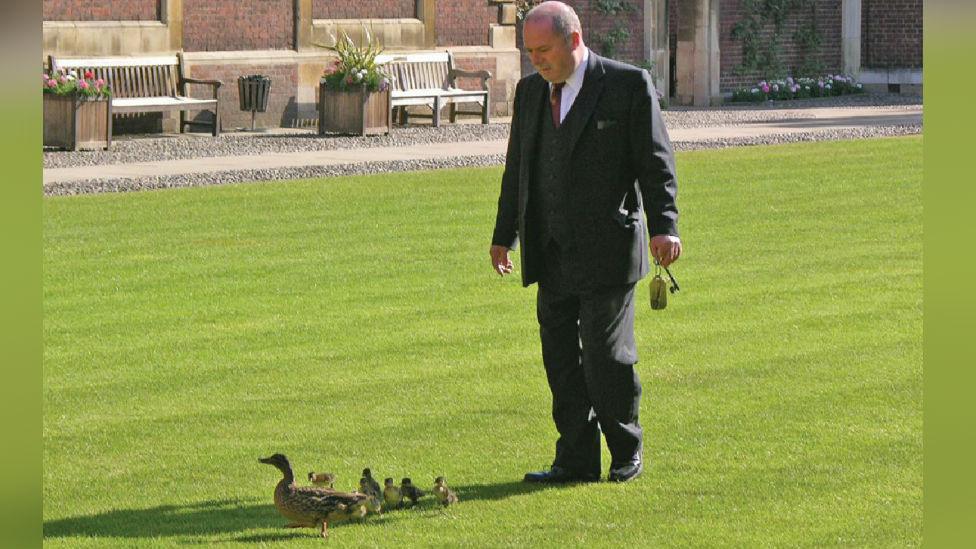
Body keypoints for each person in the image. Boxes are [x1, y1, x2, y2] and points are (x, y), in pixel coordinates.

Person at [489, 1, 681, 483]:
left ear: (573, 39)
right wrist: (503, 236)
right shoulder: (531, 93)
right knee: (560, 363)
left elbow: (655, 163)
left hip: (609, 250)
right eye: (530, 51)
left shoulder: (627, 85)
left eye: (544, 49)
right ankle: (574, 459)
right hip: (549, 251)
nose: (537, 59)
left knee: (605, 358)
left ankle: (625, 450)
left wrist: (665, 225)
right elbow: (518, 169)